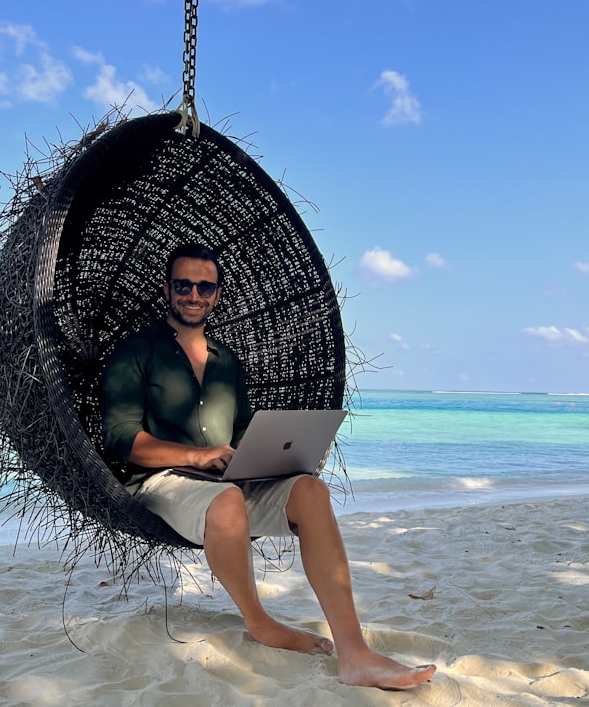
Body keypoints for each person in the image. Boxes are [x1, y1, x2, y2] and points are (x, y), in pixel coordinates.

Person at [101, 243, 436, 690]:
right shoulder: (136, 353)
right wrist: (198, 456)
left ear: (217, 294)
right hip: (163, 482)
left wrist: (265, 457)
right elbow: (124, 440)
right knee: (225, 501)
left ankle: (355, 654)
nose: (194, 294)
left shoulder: (227, 363)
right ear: (168, 289)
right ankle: (259, 621)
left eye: (205, 286)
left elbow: (240, 432)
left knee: (311, 492)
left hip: (228, 482)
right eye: (184, 285)